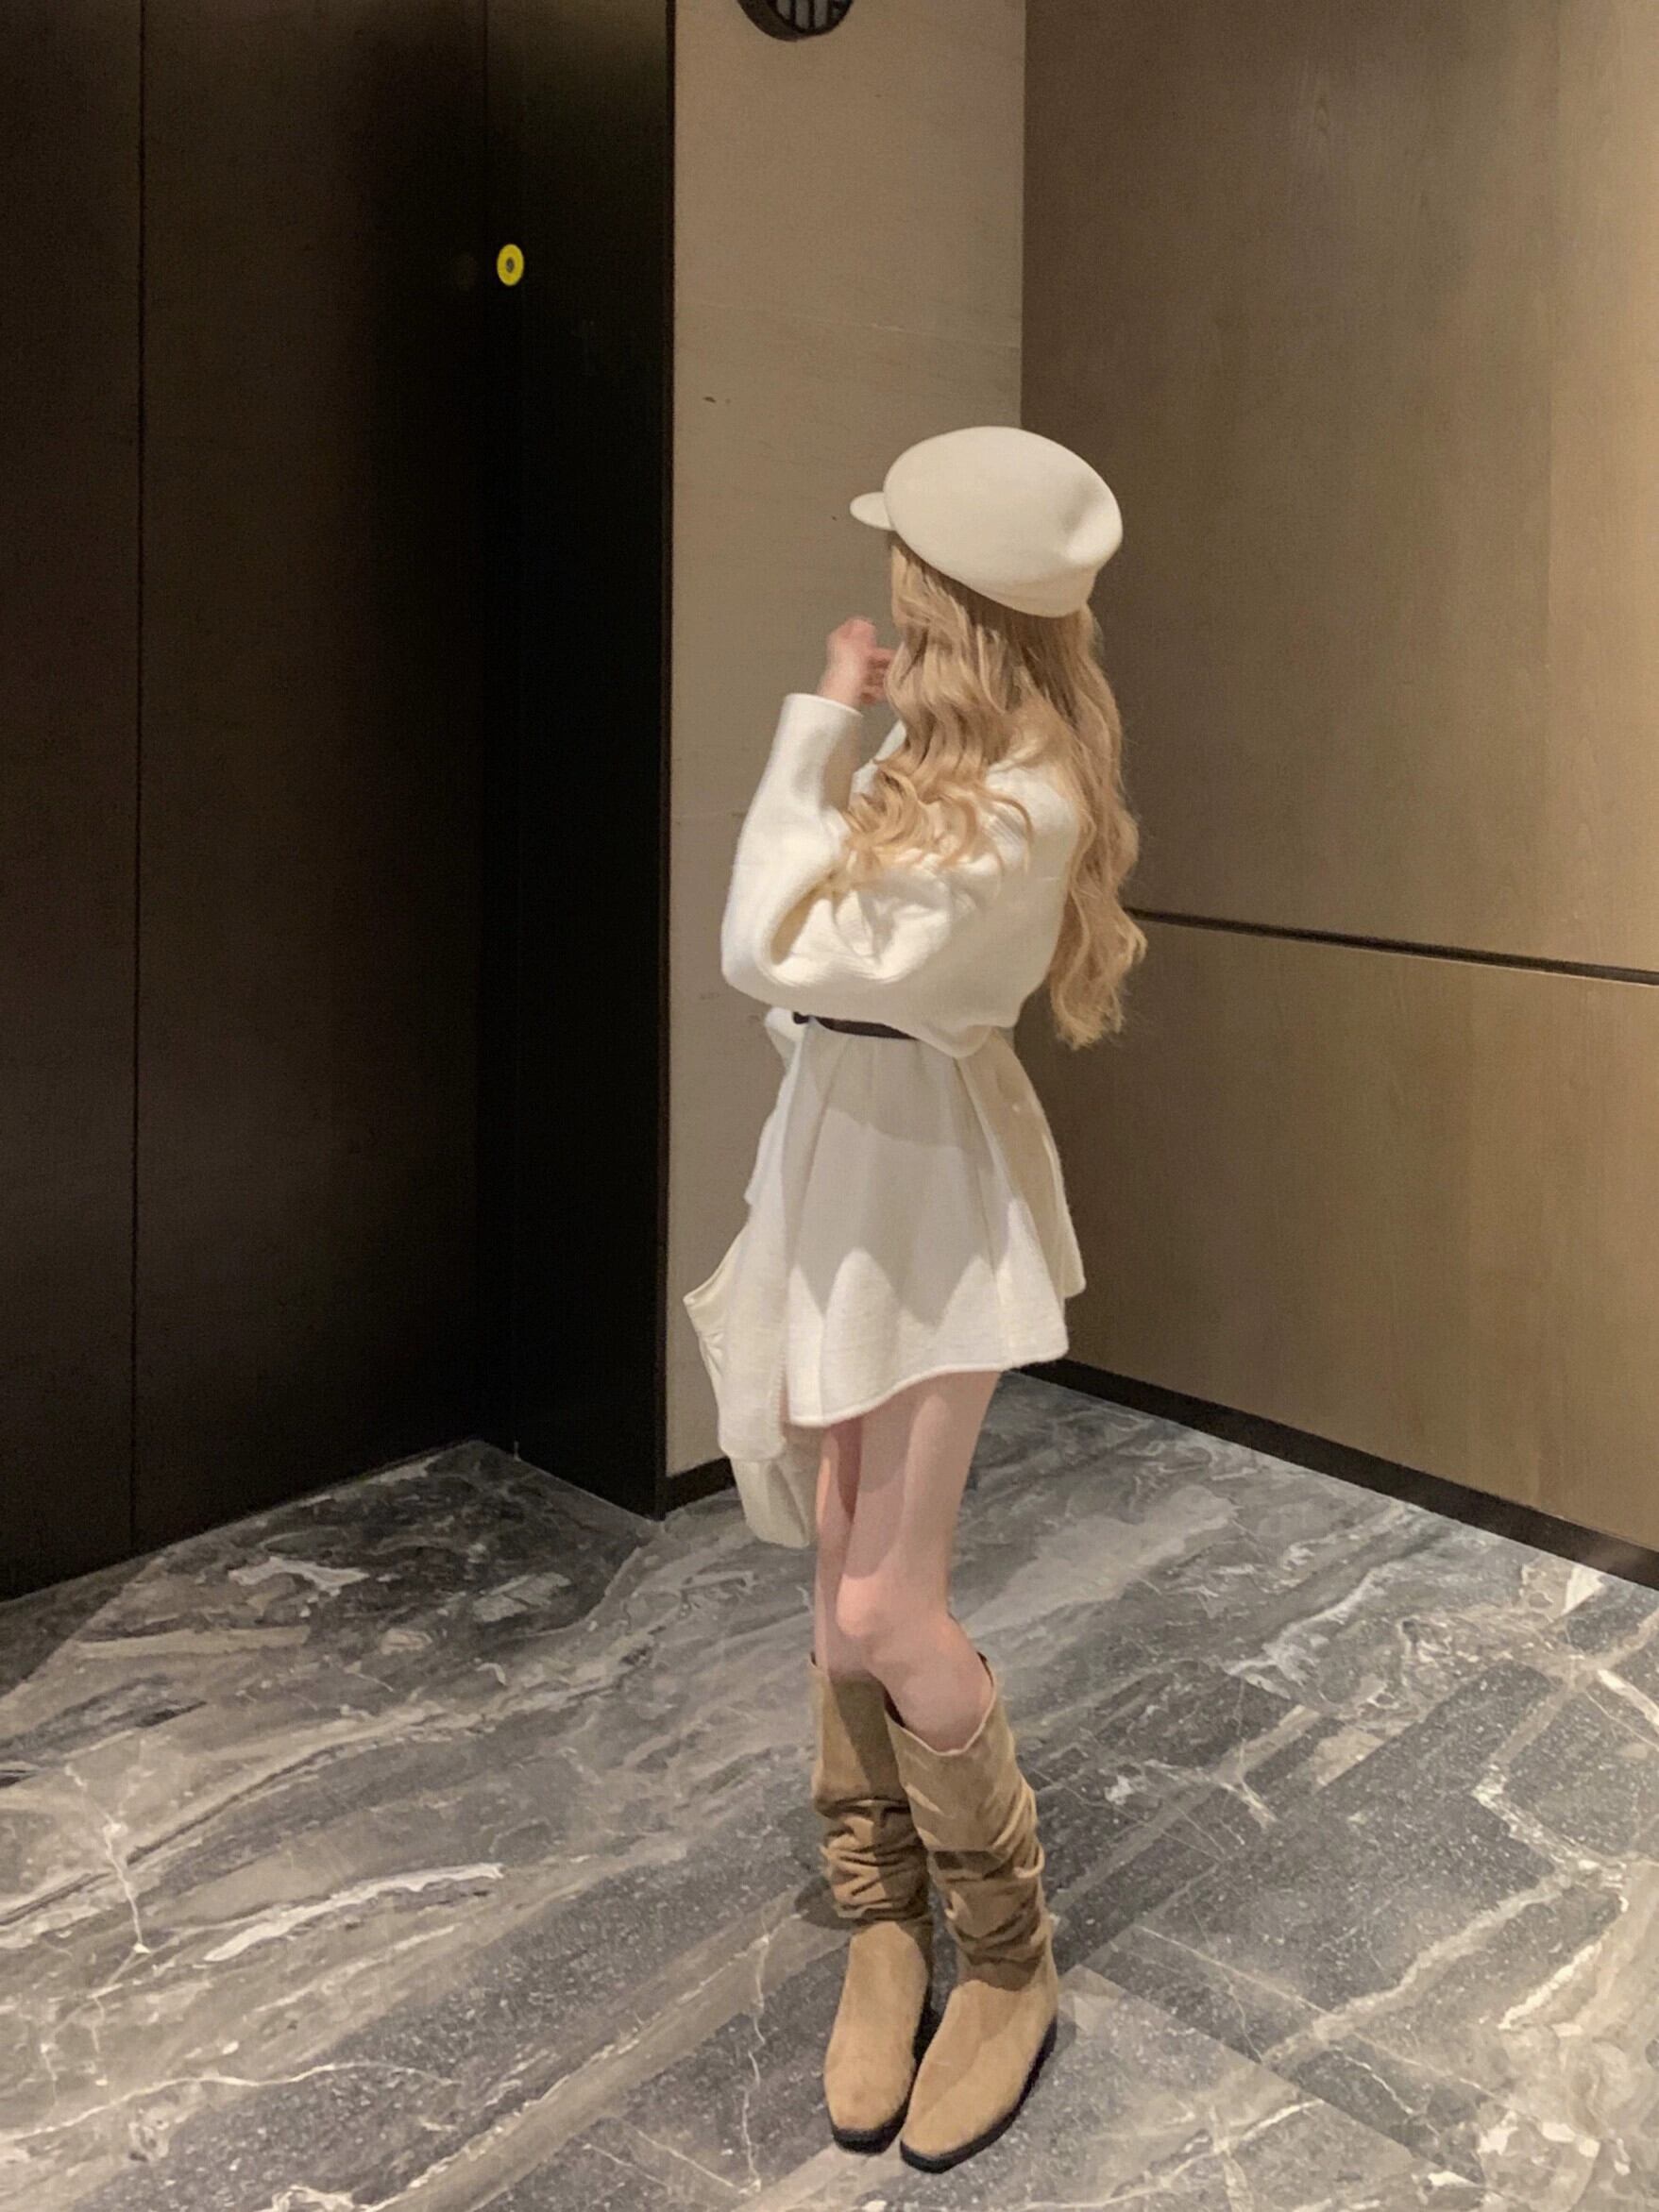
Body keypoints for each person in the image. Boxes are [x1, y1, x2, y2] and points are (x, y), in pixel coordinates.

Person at [684, 423, 1144, 2174]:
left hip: (922, 1205)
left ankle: (1006, 1952)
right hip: (838, 1164)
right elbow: (806, 974)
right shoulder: (956, 759)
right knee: (833, 1588)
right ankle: (881, 1920)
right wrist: (861, 743)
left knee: (888, 1600)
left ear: (941, 597)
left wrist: (815, 724)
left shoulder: (1022, 800)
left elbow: (763, 948)